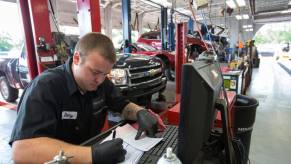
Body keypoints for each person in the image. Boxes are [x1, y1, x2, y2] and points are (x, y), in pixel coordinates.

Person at [9, 32, 165, 163]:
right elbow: (21, 151)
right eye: (95, 72)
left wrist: (140, 112)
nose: (100, 80)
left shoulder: (100, 83)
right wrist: (93, 154)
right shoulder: (45, 87)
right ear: (76, 58)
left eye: (105, 74)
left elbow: (121, 104)